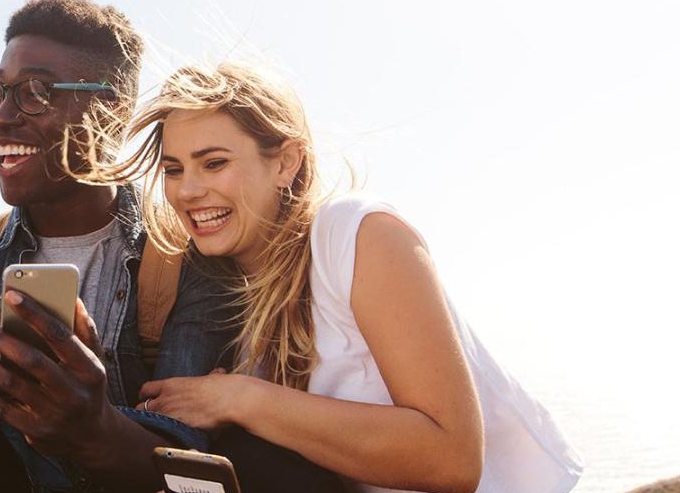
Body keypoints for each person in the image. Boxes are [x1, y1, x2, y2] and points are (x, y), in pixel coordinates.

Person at [111, 62, 583, 493]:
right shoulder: (218, 292)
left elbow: (453, 460)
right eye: (174, 170)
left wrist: (241, 399)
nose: (188, 191)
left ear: (285, 162)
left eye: (214, 163)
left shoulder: (356, 233)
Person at [0, 0, 239, 493]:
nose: (1, 117)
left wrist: (94, 429)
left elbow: (196, 466)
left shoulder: (189, 255)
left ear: (112, 111)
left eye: (36, 92)